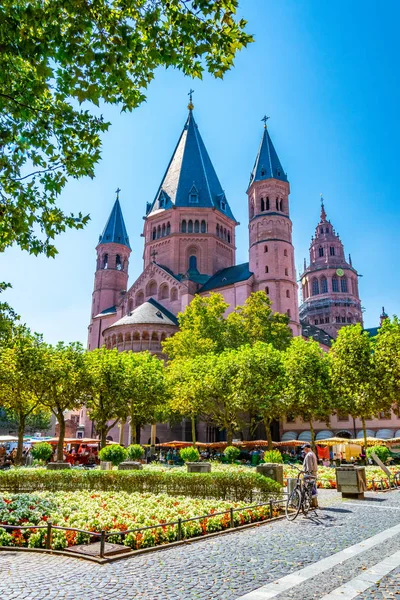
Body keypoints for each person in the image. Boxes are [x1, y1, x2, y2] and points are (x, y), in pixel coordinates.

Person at [302, 443, 318, 509]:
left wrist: (308, 475)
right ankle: (314, 503)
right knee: (313, 487)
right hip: (313, 473)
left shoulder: (308, 455)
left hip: (310, 474)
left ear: (307, 448)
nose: (304, 450)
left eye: (304, 448)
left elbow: (309, 466)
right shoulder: (312, 453)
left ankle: (312, 504)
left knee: (310, 488)